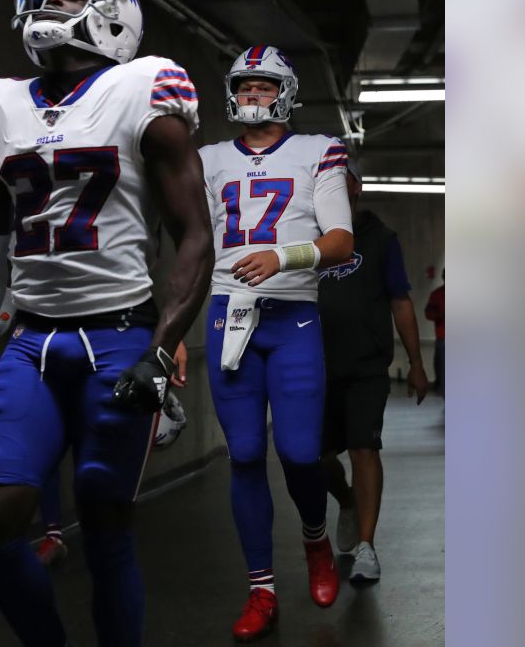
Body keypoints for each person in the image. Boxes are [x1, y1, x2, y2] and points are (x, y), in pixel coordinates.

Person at [0, 0, 213, 647]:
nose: (48, 1)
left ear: (116, 14)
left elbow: (194, 239)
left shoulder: (142, 88)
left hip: (120, 335)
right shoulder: (1, 103)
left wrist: (160, 351)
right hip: (31, 341)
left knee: (105, 529)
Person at [199, 45, 354, 641]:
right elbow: (191, 241)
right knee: (242, 454)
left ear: (285, 91)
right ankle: (261, 589)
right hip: (227, 315)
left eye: (263, 86)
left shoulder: (317, 150)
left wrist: (285, 256)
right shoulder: (209, 158)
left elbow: (339, 240)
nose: (252, 96)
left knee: (296, 451)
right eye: (244, 86)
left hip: (292, 316)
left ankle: (315, 538)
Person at [318, 166, 430, 583]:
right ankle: (345, 500)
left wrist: (417, 363)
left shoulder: (381, 240)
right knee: (316, 457)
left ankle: (367, 546)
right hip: (315, 366)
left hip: (366, 365)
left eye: (340, 180)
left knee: (365, 448)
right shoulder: (307, 236)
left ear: (356, 188)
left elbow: (401, 301)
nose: (333, 188)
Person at [35, 343, 190, 566]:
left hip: (112, 351)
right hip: (78, 352)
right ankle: (61, 536)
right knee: (52, 448)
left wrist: (173, 341)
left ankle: (102, 537)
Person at [425, 270, 445, 396]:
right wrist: (440, 315)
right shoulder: (437, 294)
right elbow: (429, 313)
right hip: (443, 338)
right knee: (442, 369)